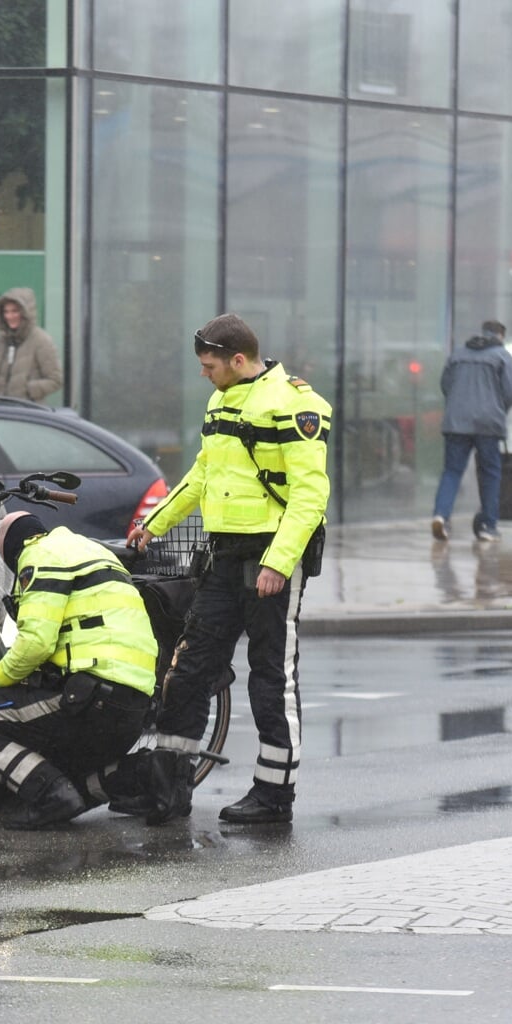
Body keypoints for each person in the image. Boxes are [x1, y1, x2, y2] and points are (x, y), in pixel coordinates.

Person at [127, 314, 332, 826]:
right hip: (225, 557)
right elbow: (202, 475)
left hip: (271, 559)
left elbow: (310, 495)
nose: (204, 374)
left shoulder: (295, 403)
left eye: (209, 366)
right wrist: (154, 524)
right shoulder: (221, 400)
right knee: (189, 669)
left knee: (270, 677)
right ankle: (167, 789)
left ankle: (274, 795)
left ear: (238, 360)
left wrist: (278, 564)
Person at [0, 511, 159, 829]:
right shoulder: (87, 548)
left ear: (12, 548)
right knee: (49, 769)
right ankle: (145, 771)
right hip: (130, 707)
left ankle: (51, 794)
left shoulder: (39, 556)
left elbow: (37, 644)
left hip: (89, 698)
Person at [431, 319, 512, 543]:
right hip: (487, 425)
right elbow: (511, 392)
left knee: (452, 471)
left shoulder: (458, 355)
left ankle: (441, 516)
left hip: (456, 423)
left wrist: (460, 404)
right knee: (490, 473)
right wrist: (498, 409)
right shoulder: (502, 356)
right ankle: (488, 527)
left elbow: (446, 385)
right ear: (500, 336)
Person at [0, 288, 62, 402]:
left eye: (15, 311)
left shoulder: (41, 341)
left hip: (26, 414)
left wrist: (28, 390)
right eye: (6, 311)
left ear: (26, 312)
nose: (9, 316)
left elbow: (56, 380)